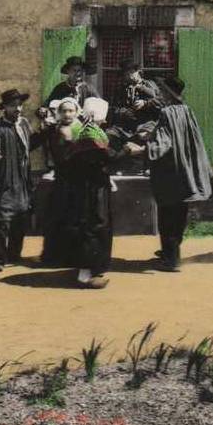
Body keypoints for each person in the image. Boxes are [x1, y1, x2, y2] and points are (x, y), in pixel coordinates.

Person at [41, 96, 130, 288]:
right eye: (100, 117)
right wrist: (128, 151)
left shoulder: (88, 131)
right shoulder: (89, 134)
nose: (103, 121)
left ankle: (92, 269)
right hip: (92, 188)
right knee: (94, 225)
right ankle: (86, 273)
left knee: (94, 225)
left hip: (93, 185)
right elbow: (107, 157)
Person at [128, 76, 213, 271]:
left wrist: (141, 148)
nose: (160, 94)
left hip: (170, 172)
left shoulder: (166, 113)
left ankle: (171, 260)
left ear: (168, 94)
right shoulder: (187, 111)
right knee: (180, 214)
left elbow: (163, 145)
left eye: (162, 92)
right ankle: (171, 252)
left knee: (167, 216)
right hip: (187, 172)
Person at [0, 88, 44, 272]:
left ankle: (14, 255)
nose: (18, 109)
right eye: (13, 105)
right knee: (2, 221)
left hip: (22, 180)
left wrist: (44, 132)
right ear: (5, 107)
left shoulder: (23, 124)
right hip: (4, 181)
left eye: (20, 105)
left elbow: (30, 145)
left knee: (21, 219)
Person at [38, 56, 99, 179]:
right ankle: (53, 166)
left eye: (80, 71)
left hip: (82, 125)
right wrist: (43, 110)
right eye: (74, 70)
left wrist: (92, 112)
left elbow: (99, 106)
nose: (78, 73)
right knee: (48, 130)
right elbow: (47, 104)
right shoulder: (60, 88)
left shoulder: (88, 88)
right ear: (68, 72)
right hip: (64, 124)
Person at [107, 58, 162, 168]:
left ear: (139, 72)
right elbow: (113, 107)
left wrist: (145, 103)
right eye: (126, 73)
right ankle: (118, 165)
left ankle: (149, 166)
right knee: (108, 135)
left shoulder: (150, 84)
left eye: (132, 72)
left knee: (146, 136)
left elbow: (161, 101)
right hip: (125, 125)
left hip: (146, 122)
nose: (129, 76)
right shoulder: (122, 89)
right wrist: (123, 112)